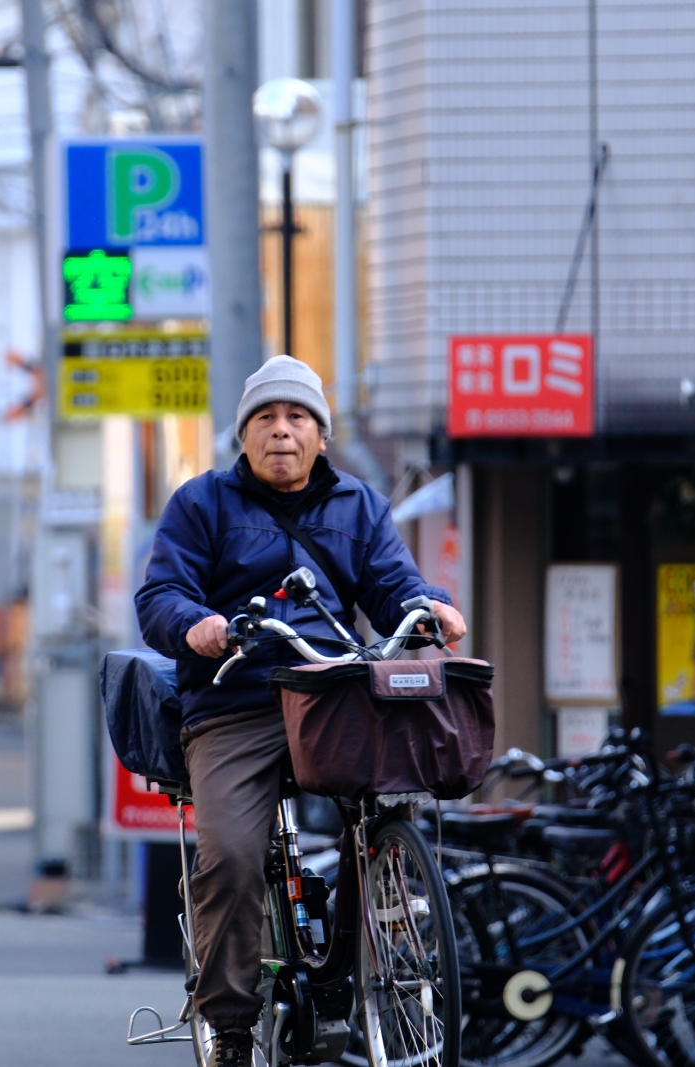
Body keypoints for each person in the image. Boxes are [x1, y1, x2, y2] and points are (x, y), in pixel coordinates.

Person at [134, 356, 467, 1067]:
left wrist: (428, 606)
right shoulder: (201, 503)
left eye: (297, 418)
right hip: (234, 702)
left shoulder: (360, 505)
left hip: (333, 695)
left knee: (386, 809)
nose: (281, 431)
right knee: (231, 854)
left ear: (321, 434)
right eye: (265, 418)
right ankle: (229, 1023)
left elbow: (392, 584)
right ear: (243, 434)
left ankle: (368, 938)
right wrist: (197, 624)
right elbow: (160, 595)